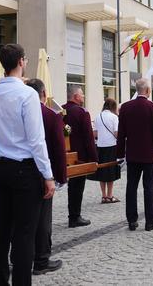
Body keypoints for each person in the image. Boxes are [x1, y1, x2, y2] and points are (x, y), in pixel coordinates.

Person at [0, 44, 56, 285]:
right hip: (24, 168)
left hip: (1, 165)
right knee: (25, 233)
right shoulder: (27, 95)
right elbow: (37, 140)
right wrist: (47, 175)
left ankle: (0, 281)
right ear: (21, 62)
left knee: (1, 229)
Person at [25, 78, 67, 275]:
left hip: (21, 170)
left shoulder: (19, 111)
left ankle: (21, 257)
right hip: (43, 172)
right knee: (43, 219)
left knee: (22, 219)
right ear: (43, 94)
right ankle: (41, 259)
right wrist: (61, 177)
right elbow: (58, 149)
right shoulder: (51, 115)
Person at [117, 78, 153, 231]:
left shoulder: (125, 107)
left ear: (136, 90)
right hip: (149, 154)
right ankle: (150, 221)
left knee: (131, 187)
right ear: (148, 91)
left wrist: (120, 154)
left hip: (132, 154)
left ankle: (132, 220)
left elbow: (121, 135)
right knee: (148, 187)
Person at [62, 84, 97, 227]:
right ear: (76, 96)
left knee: (72, 186)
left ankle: (73, 215)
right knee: (78, 186)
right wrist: (94, 158)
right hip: (80, 157)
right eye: (82, 94)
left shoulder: (61, 111)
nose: (83, 96)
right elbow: (89, 138)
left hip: (65, 154)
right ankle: (75, 216)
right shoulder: (82, 113)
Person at [91, 98, 121, 203]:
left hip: (100, 146)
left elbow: (94, 134)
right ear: (113, 107)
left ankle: (103, 196)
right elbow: (117, 133)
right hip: (111, 146)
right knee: (111, 171)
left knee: (102, 171)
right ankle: (110, 195)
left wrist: (103, 136)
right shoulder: (114, 117)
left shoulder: (97, 116)